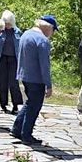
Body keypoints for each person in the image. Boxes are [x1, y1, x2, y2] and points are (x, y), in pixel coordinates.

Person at [12, 15, 56, 145]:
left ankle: (17, 129)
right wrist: (48, 84)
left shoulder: (25, 34)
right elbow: (44, 65)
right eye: (53, 30)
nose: (52, 33)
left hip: (24, 75)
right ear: (48, 27)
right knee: (34, 107)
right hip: (36, 78)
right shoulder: (42, 40)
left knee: (29, 103)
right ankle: (26, 135)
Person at [0, 10, 23, 113]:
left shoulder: (18, 32)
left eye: (9, 23)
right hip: (2, 59)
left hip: (14, 60)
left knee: (13, 83)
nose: (7, 25)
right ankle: (3, 104)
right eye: (5, 23)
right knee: (2, 83)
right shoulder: (0, 31)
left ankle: (16, 104)